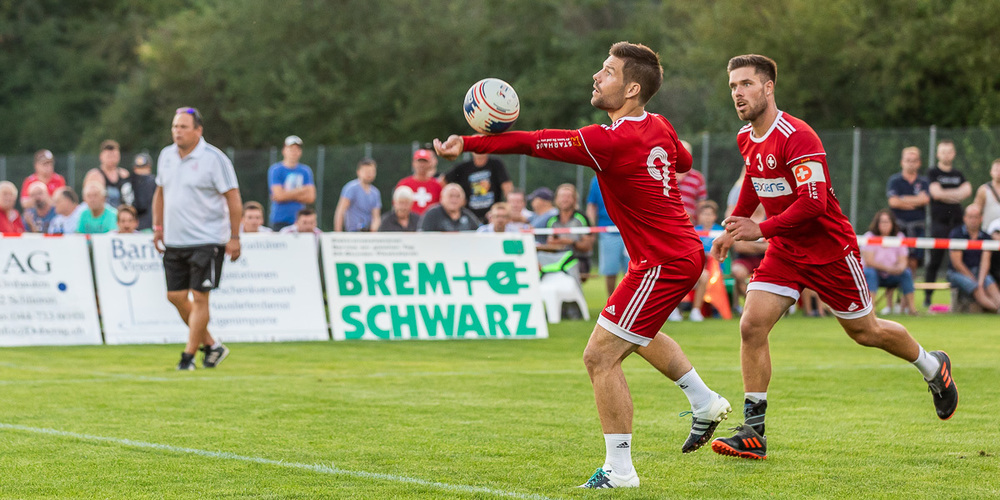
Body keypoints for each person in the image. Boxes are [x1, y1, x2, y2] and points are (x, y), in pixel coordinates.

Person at [435, 41, 731, 489]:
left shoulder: (607, 140)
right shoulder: (659, 125)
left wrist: (471, 143)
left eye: (607, 71)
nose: (597, 76)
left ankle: (621, 471)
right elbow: (683, 160)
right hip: (670, 255)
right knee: (636, 335)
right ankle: (704, 401)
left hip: (663, 261)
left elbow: (534, 142)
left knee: (599, 357)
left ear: (632, 88)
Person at [710, 54, 957, 461]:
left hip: (830, 252)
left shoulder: (798, 135)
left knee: (866, 332)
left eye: (747, 84)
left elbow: (813, 203)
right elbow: (756, 181)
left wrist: (761, 229)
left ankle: (934, 367)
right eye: (733, 86)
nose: (738, 93)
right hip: (787, 251)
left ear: (768, 87)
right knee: (752, 325)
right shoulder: (745, 138)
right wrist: (733, 226)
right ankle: (754, 432)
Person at [153, 106, 242, 371]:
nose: (177, 132)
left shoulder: (215, 159)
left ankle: (188, 357)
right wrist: (158, 227)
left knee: (200, 297)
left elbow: (233, 198)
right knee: (175, 296)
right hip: (175, 240)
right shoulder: (166, 156)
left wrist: (234, 236)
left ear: (198, 130)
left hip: (208, 240)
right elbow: (160, 192)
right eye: (174, 127)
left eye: (183, 127)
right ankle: (212, 345)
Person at [924, 139, 972, 307]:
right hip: (939, 223)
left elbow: (967, 191)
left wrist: (946, 194)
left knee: (960, 261)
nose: (946, 154)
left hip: (957, 223)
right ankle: (928, 298)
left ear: (954, 153)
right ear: (938, 154)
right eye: (943, 151)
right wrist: (956, 194)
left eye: (949, 151)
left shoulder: (958, 174)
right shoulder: (933, 172)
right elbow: (936, 194)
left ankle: (962, 299)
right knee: (935, 261)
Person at [671, 200, 725, 322]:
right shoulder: (693, 231)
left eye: (709, 214)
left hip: (714, 271)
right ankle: (674, 311)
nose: (707, 217)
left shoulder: (720, 232)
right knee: (677, 275)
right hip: (692, 267)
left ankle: (696, 311)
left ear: (715, 216)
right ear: (699, 216)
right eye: (704, 214)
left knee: (704, 275)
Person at [947, 204, 1000, 313]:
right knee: (975, 287)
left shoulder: (985, 237)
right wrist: (976, 282)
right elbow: (957, 264)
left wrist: (981, 281)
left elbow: (985, 262)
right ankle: (995, 309)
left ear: (981, 218)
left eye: (976, 217)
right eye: (970, 217)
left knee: (989, 282)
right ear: (964, 218)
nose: (973, 220)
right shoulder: (956, 234)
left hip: (978, 271)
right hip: (957, 272)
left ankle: (997, 305)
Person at [862, 209, 916, 315]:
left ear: (892, 223)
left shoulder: (899, 237)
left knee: (906, 273)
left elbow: (903, 260)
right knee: (870, 272)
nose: (885, 225)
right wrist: (888, 268)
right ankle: (871, 310)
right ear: (877, 224)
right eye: (882, 222)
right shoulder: (869, 236)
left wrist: (900, 268)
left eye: (887, 222)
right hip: (876, 274)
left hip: (892, 274)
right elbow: (869, 261)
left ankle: (912, 309)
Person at [537, 183, 594, 283]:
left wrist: (570, 242)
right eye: (562, 196)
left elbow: (588, 246)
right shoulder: (552, 221)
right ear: (556, 199)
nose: (565, 199)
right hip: (557, 258)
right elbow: (550, 244)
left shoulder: (581, 219)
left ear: (574, 199)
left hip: (578, 260)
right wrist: (552, 244)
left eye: (568, 196)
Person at [886, 147, 930, 274]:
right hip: (899, 226)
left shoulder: (923, 181)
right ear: (902, 162)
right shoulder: (895, 180)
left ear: (919, 163)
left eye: (914, 160)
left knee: (913, 260)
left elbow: (925, 200)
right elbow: (893, 202)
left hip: (917, 226)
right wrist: (916, 200)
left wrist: (903, 199)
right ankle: (891, 292)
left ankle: (909, 291)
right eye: (908, 160)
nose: (911, 163)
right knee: (895, 258)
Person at [587, 176, 629, 297]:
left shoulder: (629, 174)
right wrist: (592, 230)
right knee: (610, 271)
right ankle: (612, 304)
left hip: (630, 231)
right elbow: (592, 206)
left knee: (633, 271)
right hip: (607, 231)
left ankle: (630, 303)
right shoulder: (597, 180)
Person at [442, 152, 513, 221]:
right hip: (469, 217)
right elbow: (443, 181)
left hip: (493, 217)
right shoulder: (464, 167)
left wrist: (506, 207)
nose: (479, 151)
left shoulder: (496, 164)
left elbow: (507, 186)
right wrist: (458, 199)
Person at [267, 135, 316, 231]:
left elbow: (310, 197)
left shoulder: (305, 171)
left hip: (300, 221)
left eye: (297, 149)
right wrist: (302, 190)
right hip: (280, 219)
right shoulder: (276, 170)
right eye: (291, 149)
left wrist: (285, 195)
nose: (294, 152)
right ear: (284, 150)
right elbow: (279, 195)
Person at [334, 158, 381, 232]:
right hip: (353, 233)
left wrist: (373, 231)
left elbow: (376, 216)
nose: (369, 174)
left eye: (372, 171)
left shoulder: (375, 192)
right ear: (358, 172)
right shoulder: (351, 188)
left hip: (368, 234)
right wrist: (338, 233)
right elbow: (340, 211)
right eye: (366, 171)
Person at [87, 140, 134, 208]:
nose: (112, 159)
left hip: (121, 215)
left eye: (114, 156)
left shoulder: (124, 174)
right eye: (109, 156)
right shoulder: (94, 176)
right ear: (101, 156)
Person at [396, 148, 442, 216]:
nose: (421, 165)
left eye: (425, 161)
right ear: (413, 163)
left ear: (430, 164)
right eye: (419, 161)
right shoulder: (404, 184)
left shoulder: (437, 185)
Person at [676, 140, 707, 222]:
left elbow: (701, 203)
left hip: (690, 223)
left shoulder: (697, 177)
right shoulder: (665, 174)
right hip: (669, 220)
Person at [131, 153, 157, 230]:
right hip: (137, 225)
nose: (141, 171)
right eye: (139, 168)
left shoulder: (153, 182)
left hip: (148, 224)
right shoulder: (130, 183)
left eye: (144, 168)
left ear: (149, 168)